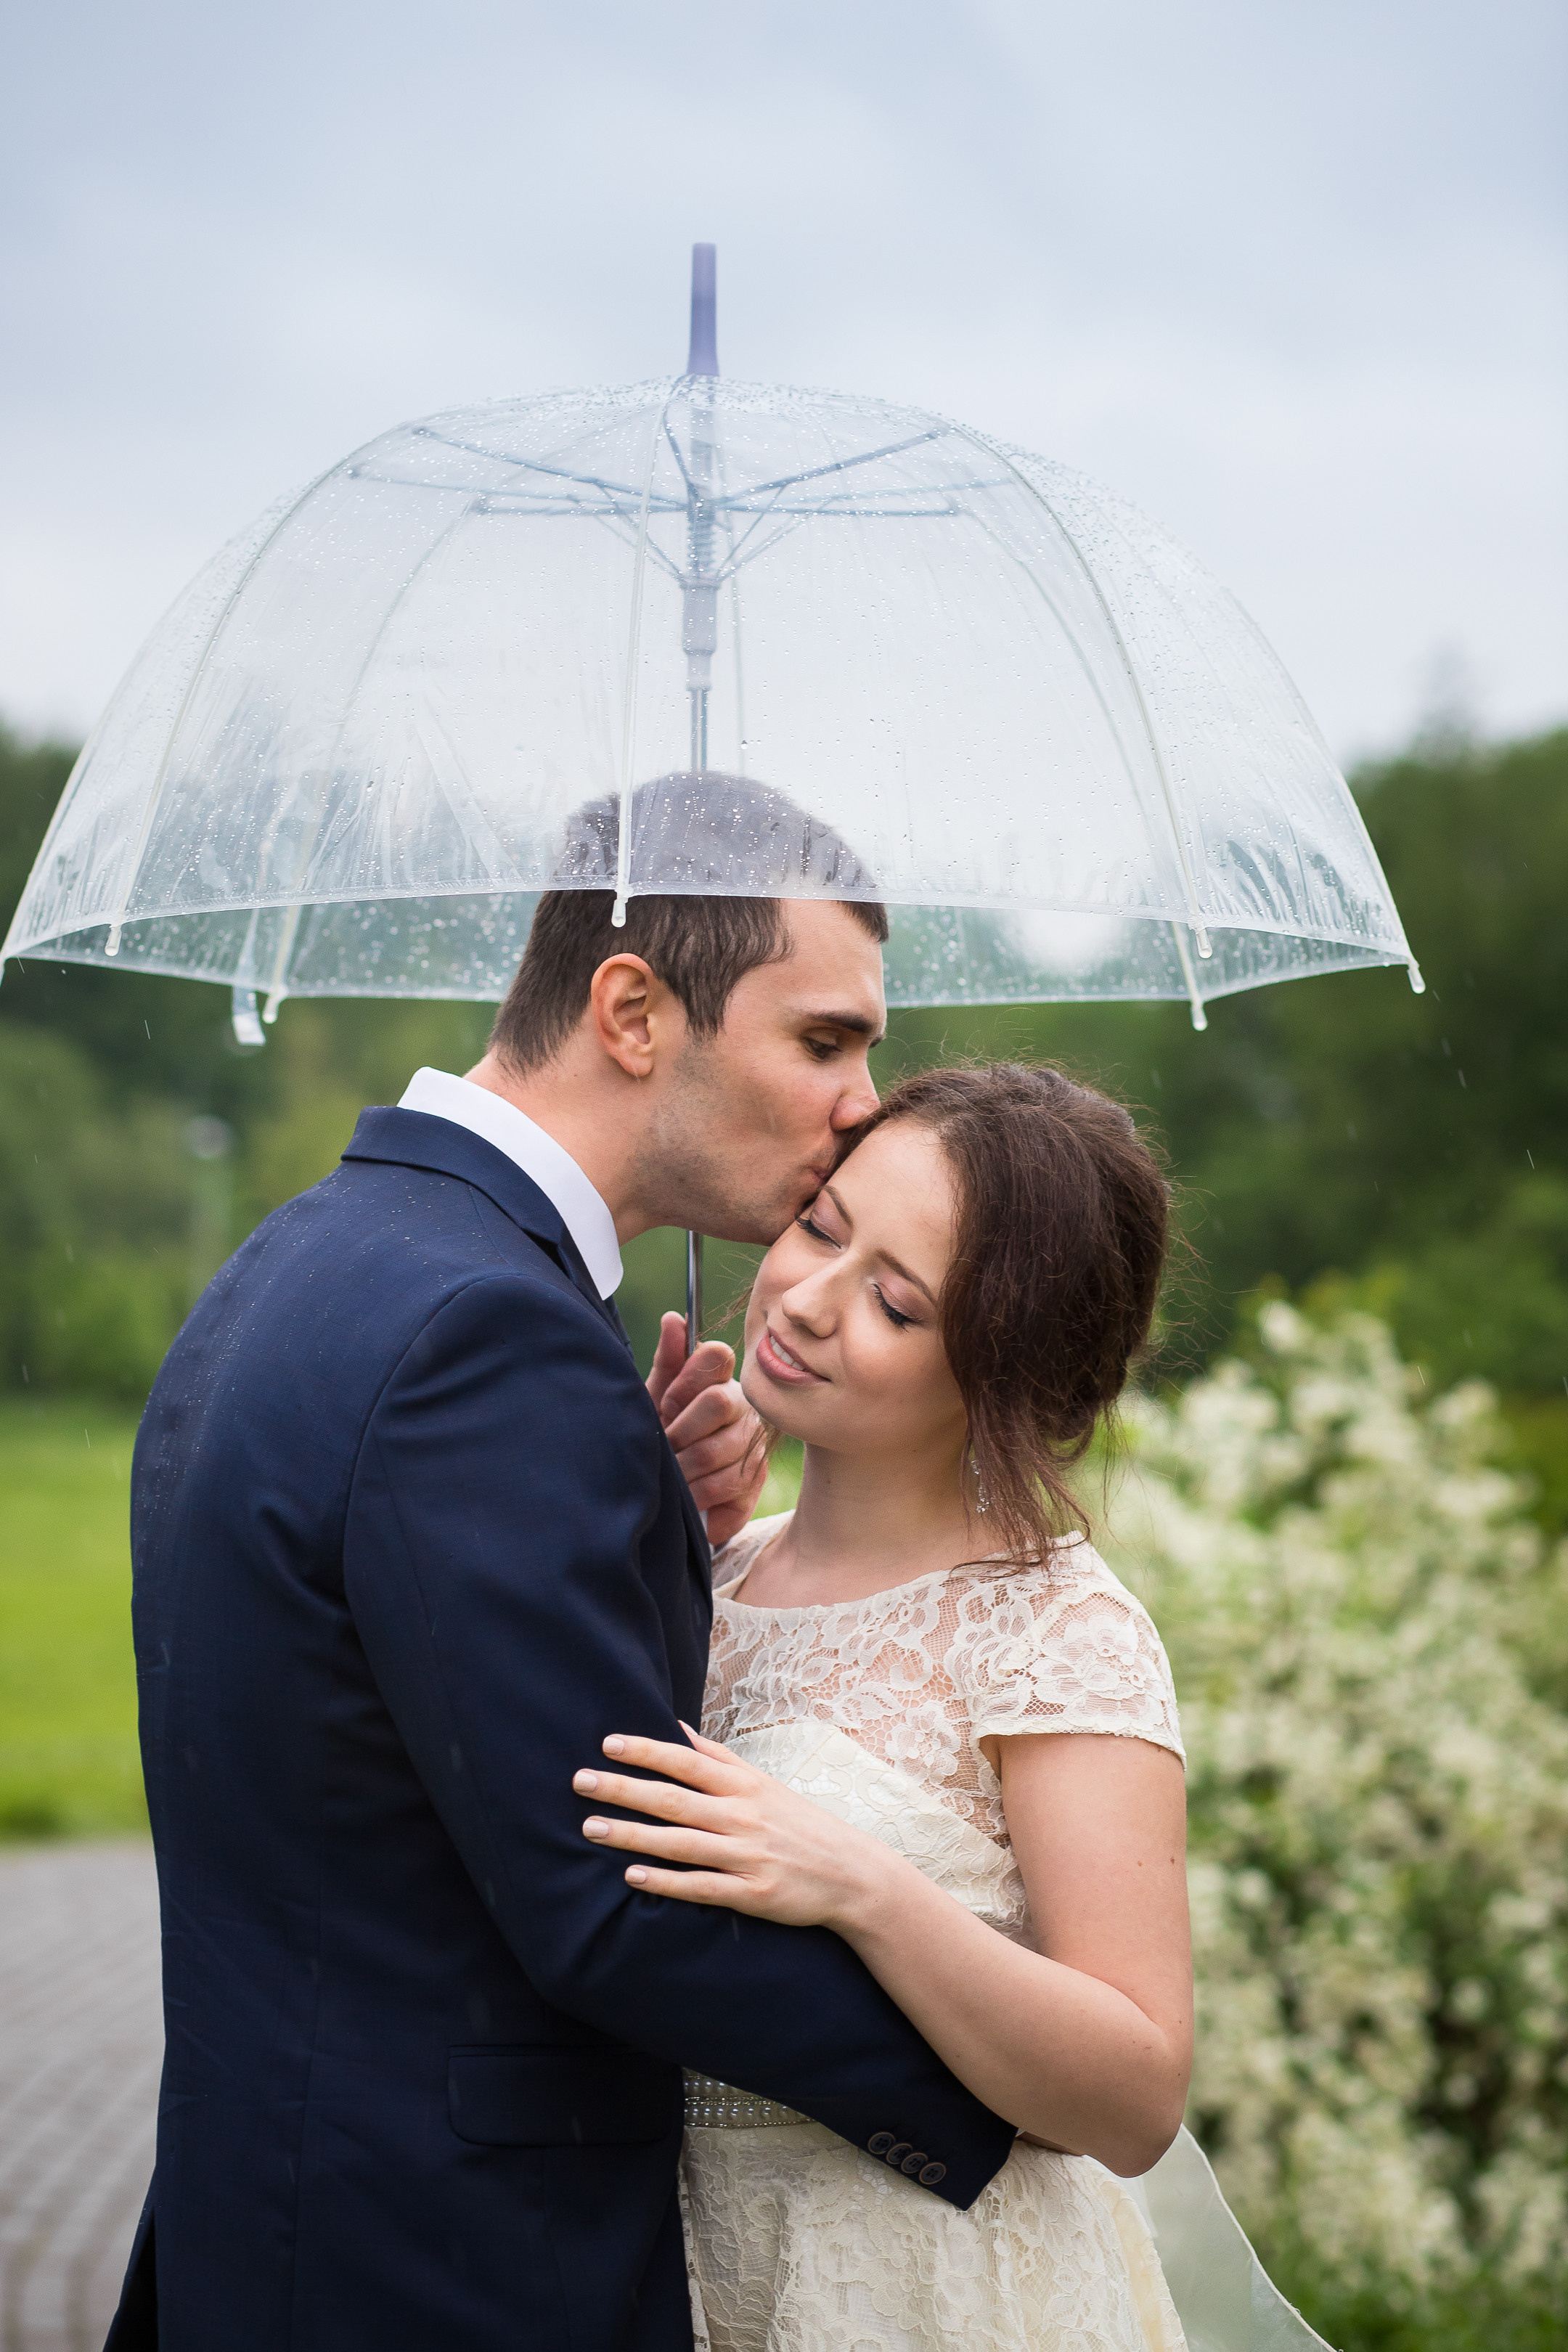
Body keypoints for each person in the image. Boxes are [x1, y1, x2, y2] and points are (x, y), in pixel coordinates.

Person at [106, 777, 1017, 2352]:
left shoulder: (305, 1257)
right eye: (824, 1039)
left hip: (270, 2224)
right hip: (453, 2275)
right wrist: (1001, 2085)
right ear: (633, 1008)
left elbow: (373, 1719)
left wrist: (645, 1521)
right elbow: (610, 1902)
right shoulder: (490, 1338)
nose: (863, 1101)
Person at [573, 1065, 1332, 2352]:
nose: (807, 1301)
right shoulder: (713, 1567)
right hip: (688, 2277)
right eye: (822, 1225)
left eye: (895, 1302)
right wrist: (631, 1519)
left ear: (1005, 1368)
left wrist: (863, 1886)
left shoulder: (1055, 1631)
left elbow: (1137, 2093)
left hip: (936, 2295)